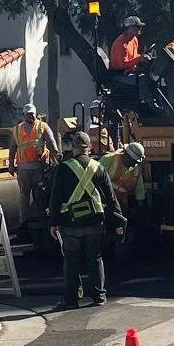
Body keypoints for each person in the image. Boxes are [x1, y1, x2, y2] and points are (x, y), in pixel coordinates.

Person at [47, 129, 123, 309]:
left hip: (70, 224)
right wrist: (119, 222)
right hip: (95, 222)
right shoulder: (99, 168)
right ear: (89, 148)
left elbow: (55, 197)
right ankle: (99, 296)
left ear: (73, 148)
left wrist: (53, 223)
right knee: (95, 258)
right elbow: (111, 198)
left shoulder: (64, 168)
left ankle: (71, 300)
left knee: (71, 261)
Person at [11, 102, 57, 214]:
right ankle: (24, 220)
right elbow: (12, 149)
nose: (31, 116)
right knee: (24, 195)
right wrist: (11, 166)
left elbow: (52, 144)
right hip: (23, 169)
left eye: (33, 114)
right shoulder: (16, 130)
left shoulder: (43, 127)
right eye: (28, 114)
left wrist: (55, 157)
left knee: (40, 193)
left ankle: (40, 216)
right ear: (24, 115)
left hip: (39, 167)